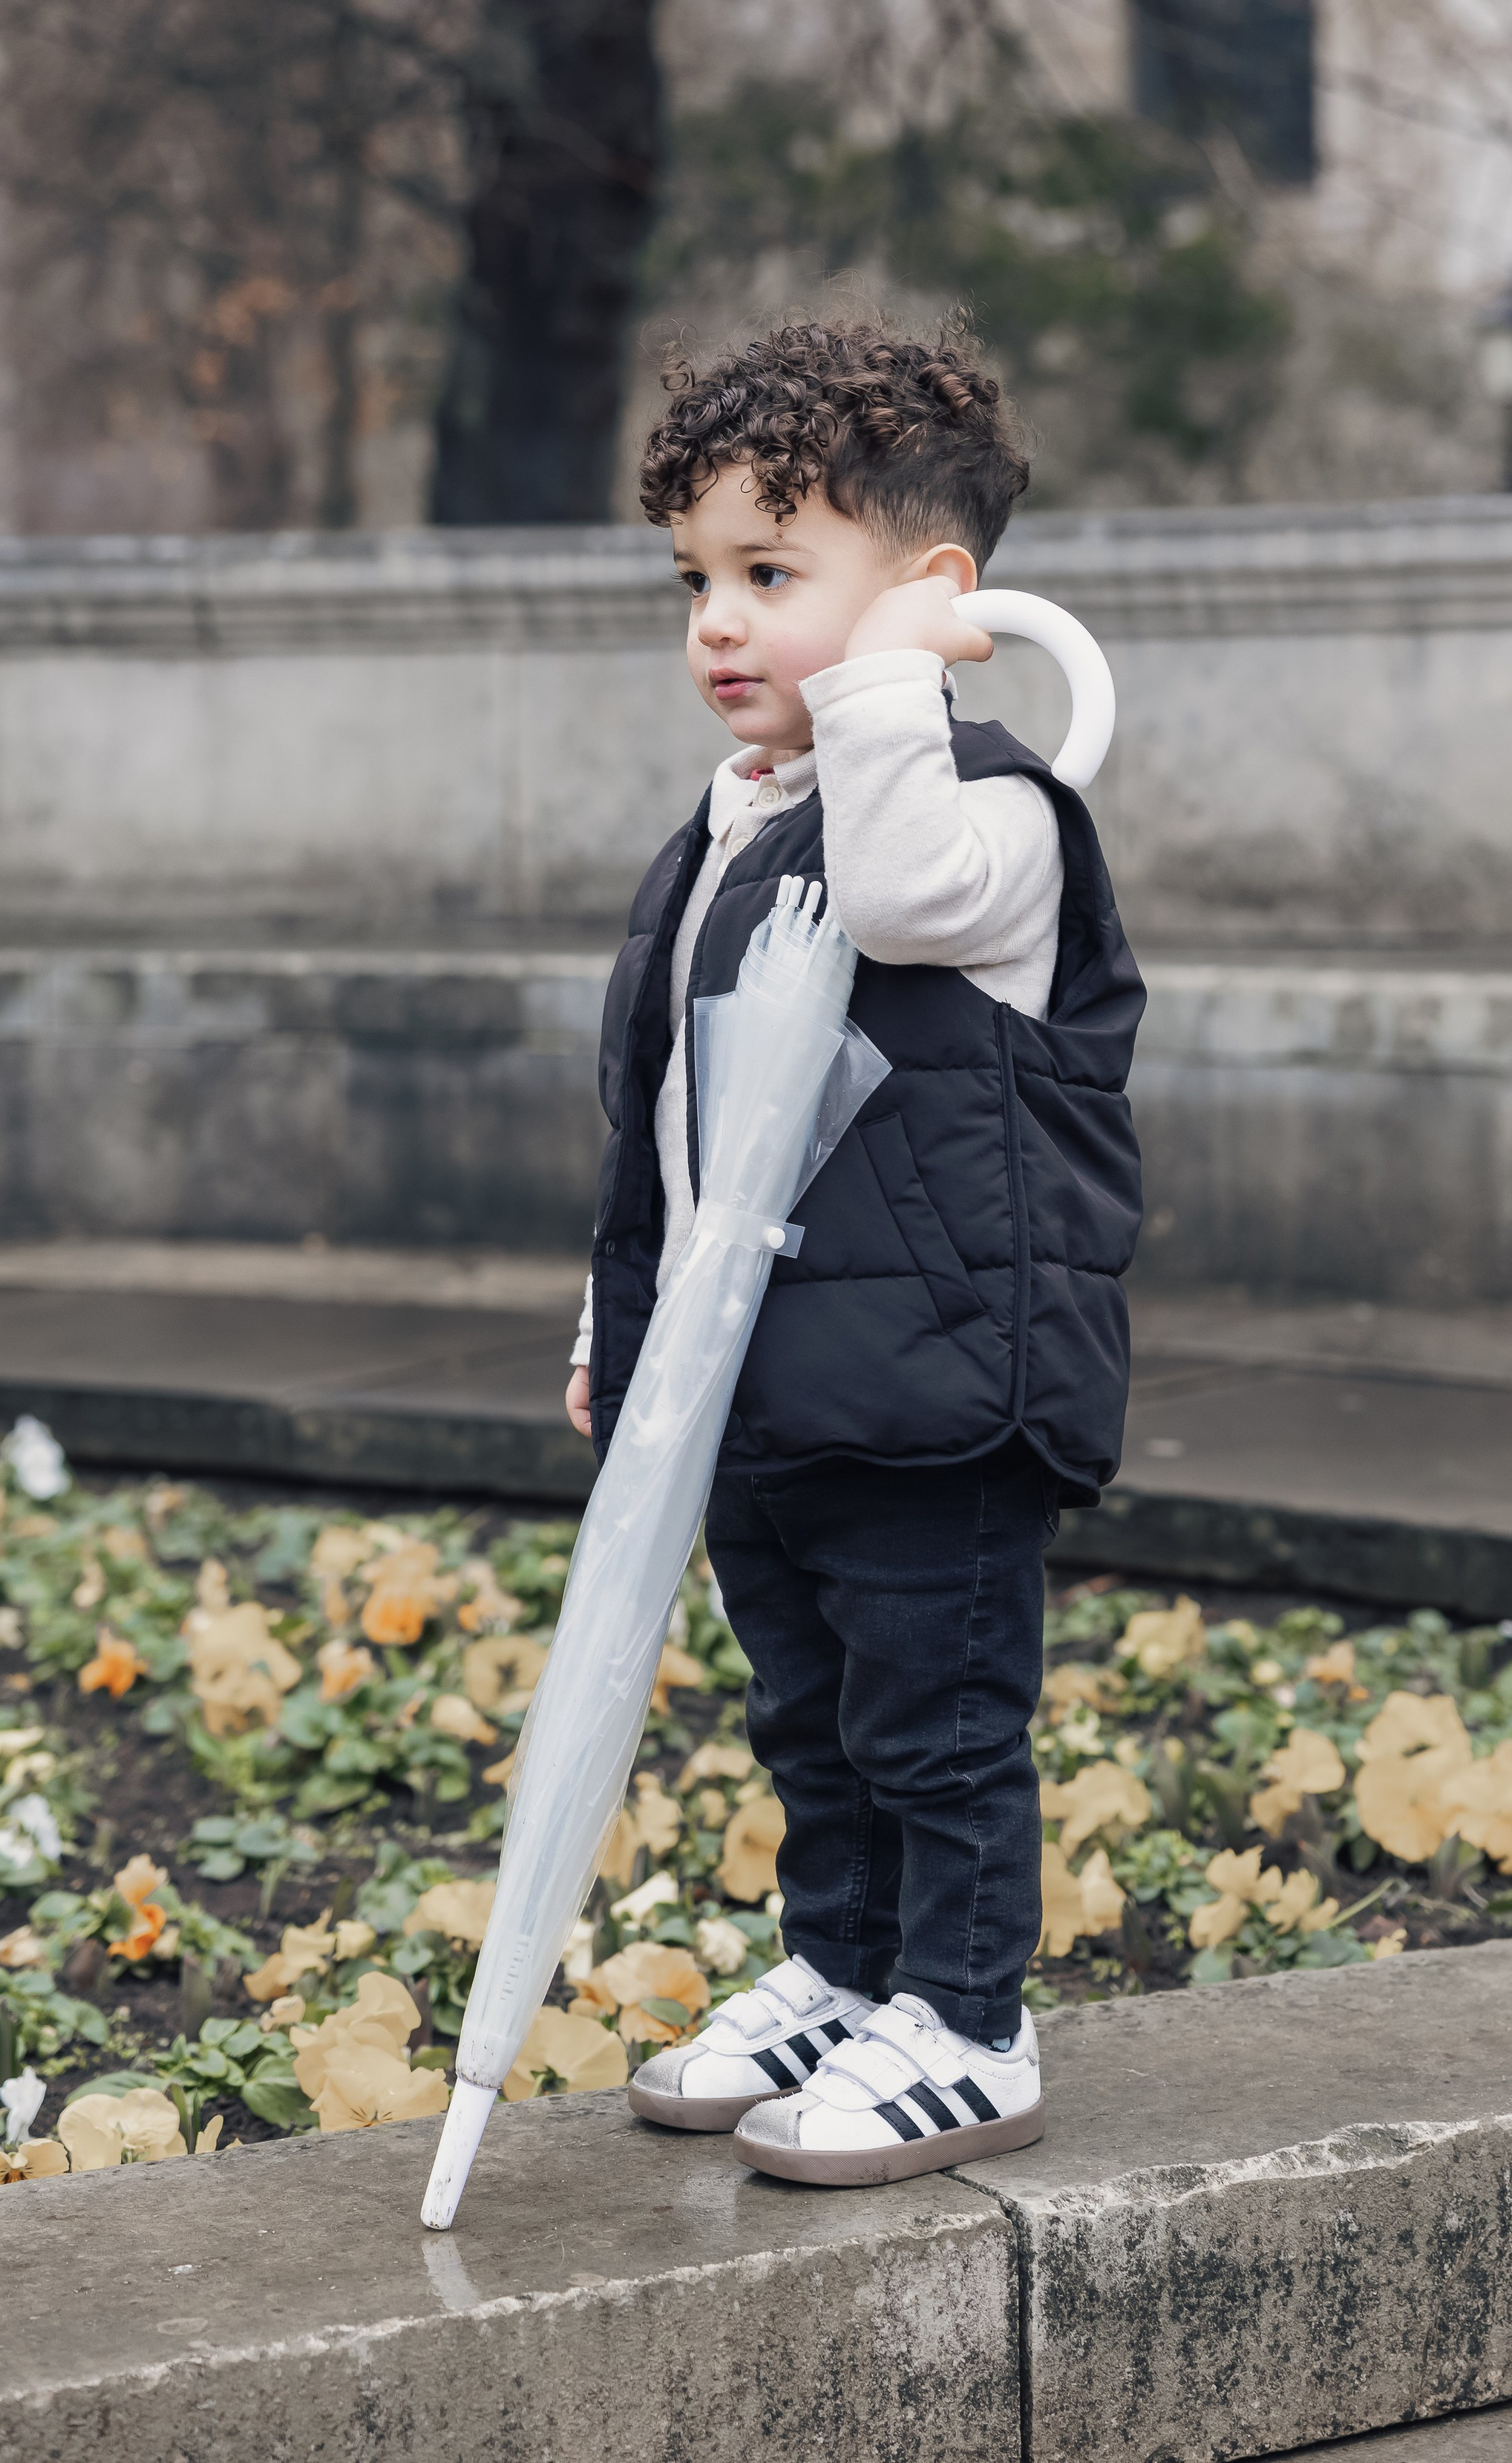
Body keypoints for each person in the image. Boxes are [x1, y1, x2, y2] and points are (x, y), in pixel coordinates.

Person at [566, 316, 1145, 2186]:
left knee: (933, 1721)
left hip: (935, 1386)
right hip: (762, 1381)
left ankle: (966, 2020)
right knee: (808, 1716)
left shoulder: (990, 822)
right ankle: (845, 1968)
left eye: (770, 574)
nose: (715, 624)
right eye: (696, 581)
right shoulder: (736, 825)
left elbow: (897, 903)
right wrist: (616, 1320)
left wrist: (894, 681)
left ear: (927, 597)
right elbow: (676, 1114)